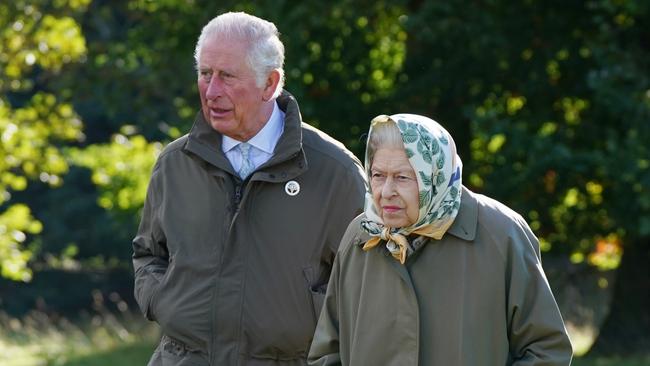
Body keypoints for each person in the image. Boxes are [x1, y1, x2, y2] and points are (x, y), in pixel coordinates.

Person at [132, 12, 366, 366]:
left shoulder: (336, 173)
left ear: (270, 84)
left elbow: (366, 283)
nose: (211, 92)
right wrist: (163, 301)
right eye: (205, 74)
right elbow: (148, 253)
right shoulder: (175, 163)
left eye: (226, 76)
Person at [308, 114, 573, 365]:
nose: (386, 192)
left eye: (402, 177)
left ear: (435, 176)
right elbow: (327, 353)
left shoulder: (501, 234)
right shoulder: (360, 236)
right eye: (378, 175)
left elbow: (546, 350)